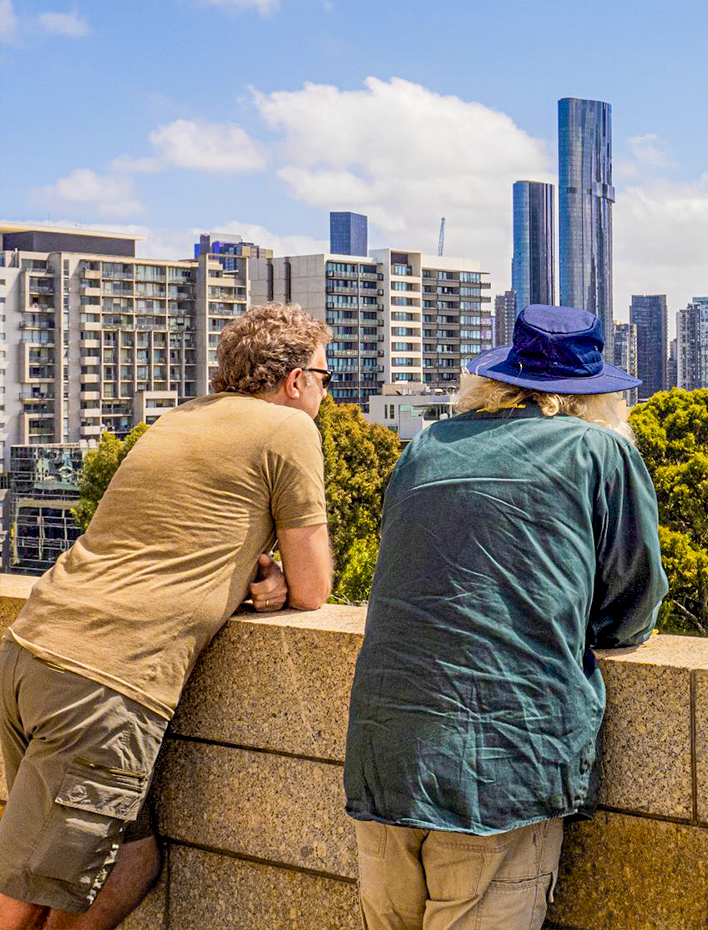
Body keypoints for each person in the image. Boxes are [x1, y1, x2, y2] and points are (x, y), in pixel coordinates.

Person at [0, 303, 335, 930]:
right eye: (325, 375)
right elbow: (315, 589)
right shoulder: (289, 431)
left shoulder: (182, 417)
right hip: (103, 683)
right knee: (22, 890)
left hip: (31, 652)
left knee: (130, 861)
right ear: (295, 380)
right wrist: (282, 579)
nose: (325, 390)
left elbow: (173, 540)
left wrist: (254, 577)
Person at [345, 304, 667, 930]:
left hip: (386, 752)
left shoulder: (427, 445)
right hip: (500, 759)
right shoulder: (598, 450)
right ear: (592, 395)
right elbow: (632, 603)